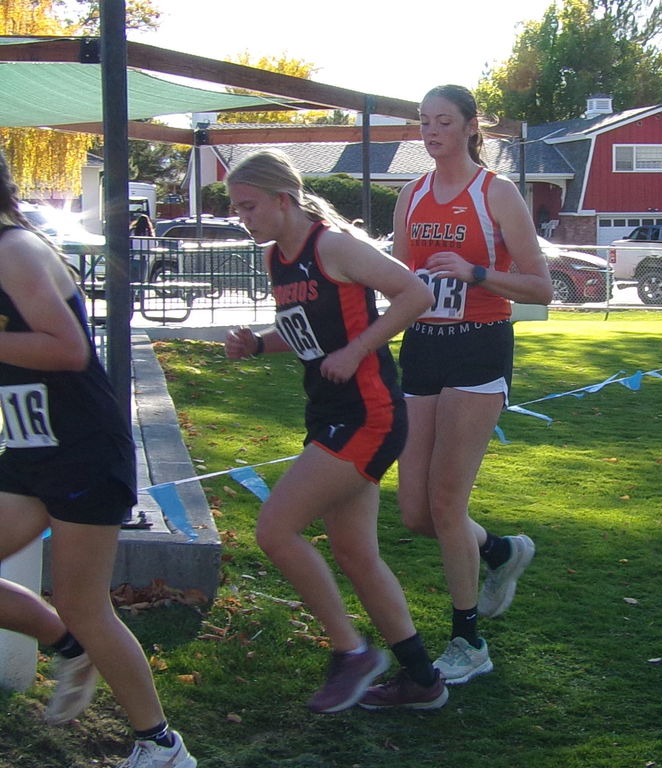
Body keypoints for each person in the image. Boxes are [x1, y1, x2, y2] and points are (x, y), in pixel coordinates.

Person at [223, 149, 447, 711]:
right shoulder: (279, 258)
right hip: (329, 414)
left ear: (282, 198)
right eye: (236, 210)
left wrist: (358, 350)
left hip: (368, 414)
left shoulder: (333, 246)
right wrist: (257, 345)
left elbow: (416, 294)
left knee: (275, 530)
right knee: (355, 554)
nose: (243, 218)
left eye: (249, 206)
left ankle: (351, 652)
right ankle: (423, 680)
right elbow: (306, 334)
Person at [0, 151, 196, 766]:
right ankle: (68, 647)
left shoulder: (15, 251)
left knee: (85, 602)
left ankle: (160, 745)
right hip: (27, 449)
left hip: (83, 449)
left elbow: (67, 351)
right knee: (77, 617)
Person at [392, 84, 553, 685]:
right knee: (414, 512)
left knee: (445, 503)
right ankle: (499, 551)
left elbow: (541, 288)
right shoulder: (410, 195)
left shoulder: (497, 194)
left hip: (479, 346)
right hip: (423, 349)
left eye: (442, 121)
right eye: (423, 121)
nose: (431, 132)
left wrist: (475, 272)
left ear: (468, 127)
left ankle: (468, 641)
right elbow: (404, 281)